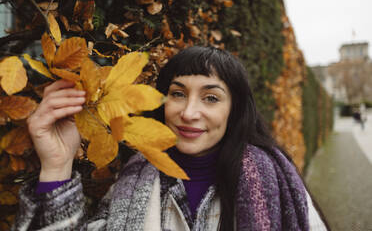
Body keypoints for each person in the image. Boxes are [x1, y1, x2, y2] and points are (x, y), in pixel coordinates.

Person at [12, 46, 327, 230]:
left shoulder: (278, 183)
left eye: (211, 98)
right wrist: (57, 166)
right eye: (177, 94)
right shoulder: (133, 180)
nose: (189, 113)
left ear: (236, 110)